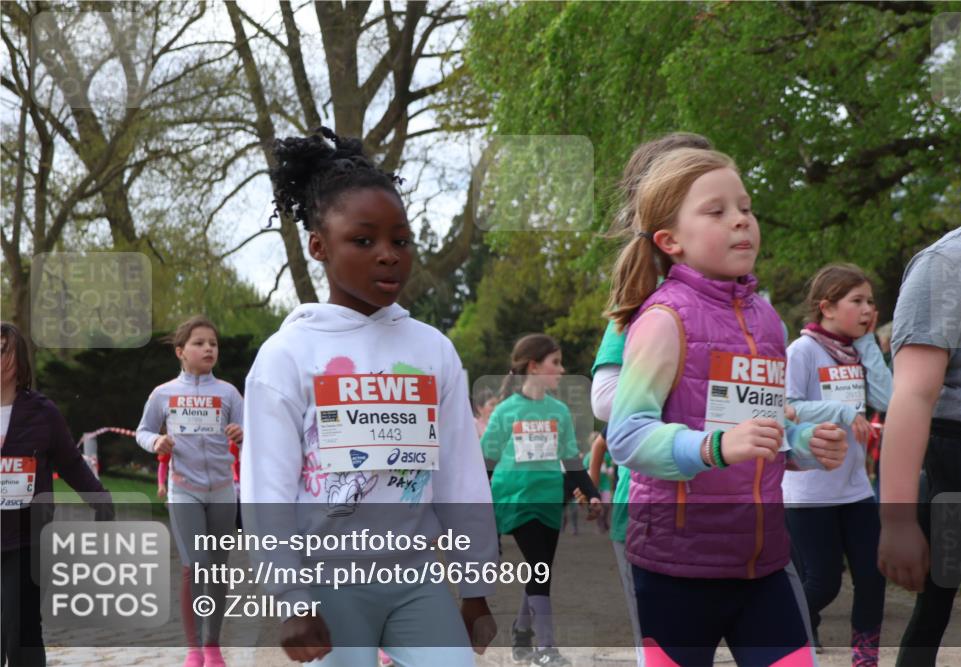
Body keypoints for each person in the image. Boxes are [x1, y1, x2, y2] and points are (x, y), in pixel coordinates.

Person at [241, 128, 498, 667]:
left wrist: (475, 590)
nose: (388, 256)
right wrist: (290, 597)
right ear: (318, 246)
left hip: (415, 578)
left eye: (400, 241)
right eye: (364, 241)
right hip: (327, 584)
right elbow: (267, 486)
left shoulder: (433, 351)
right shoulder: (288, 355)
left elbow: (459, 473)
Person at [605, 147, 849, 666]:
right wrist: (715, 447)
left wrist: (805, 444)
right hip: (675, 569)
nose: (741, 219)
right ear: (670, 241)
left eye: (746, 206)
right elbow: (626, 435)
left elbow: (765, 427)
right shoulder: (663, 319)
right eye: (716, 211)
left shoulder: (768, 320)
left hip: (762, 564)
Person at [879, 102, 961, 666]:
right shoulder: (946, 266)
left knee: (937, 609)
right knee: (943, 611)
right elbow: (913, 396)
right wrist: (898, 520)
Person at [781, 264, 892, 664]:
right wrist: (839, 411)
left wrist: (867, 348)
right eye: (857, 301)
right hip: (810, 491)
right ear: (827, 307)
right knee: (824, 584)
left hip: (856, 489)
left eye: (871, 302)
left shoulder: (857, 351)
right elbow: (786, 408)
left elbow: (888, 397)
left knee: (872, 577)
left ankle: (865, 660)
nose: (868, 310)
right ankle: (779, 630)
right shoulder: (802, 351)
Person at [481, 333, 601, 667]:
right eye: (555, 363)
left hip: (551, 498)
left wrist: (592, 496)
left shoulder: (559, 411)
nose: (561, 370)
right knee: (538, 567)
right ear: (533, 367)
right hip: (515, 499)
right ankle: (546, 648)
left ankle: (521, 633)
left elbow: (571, 461)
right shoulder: (506, 411)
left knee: (541, 569)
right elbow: (485, 464)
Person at [1, 321, 113, 666]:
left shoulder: (42, 412)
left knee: (22, 632)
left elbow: (70, 462)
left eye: (4, 349)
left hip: (26, 539)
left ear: (19, 360)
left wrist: (99, 499)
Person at [135, 316, 243, 667]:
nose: (208, 348)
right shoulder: (163, 393)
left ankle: (213, 645)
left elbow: (253, 432)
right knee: (194, 566)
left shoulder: (228, 393)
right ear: (181, 352)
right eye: (199, 343)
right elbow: (143, 431)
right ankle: (194, 648)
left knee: (218, 569)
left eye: (213, 343)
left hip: (224, 491)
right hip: (185, 490)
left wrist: (243, 434)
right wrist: (157, 441)